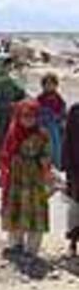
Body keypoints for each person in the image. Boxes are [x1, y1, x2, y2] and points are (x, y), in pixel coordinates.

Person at [0, 100, 53, 259]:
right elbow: (5, 154)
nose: (28, 120)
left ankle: (32, 248)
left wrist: (45, 167)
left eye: (32, 116)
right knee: (17, 207)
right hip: (16, 178)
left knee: (35, 209)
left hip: (35, 178)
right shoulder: (13, 132)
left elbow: (47, 154)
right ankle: (15, 243)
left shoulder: (42, 134)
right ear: (18, 116)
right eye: (24, 116)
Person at [0, 54, 26, 146]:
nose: (9, 67)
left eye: (9, 65)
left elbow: (20, 94)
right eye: (6, 65)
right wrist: (5, 105)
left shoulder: (12, 81)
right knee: (0, 138)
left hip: (12, 114)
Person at [37, 73, 66, 169]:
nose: (49, 86)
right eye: (47, 84)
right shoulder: (40, 99)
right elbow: (36, 112)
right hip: (43, 127)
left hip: (55, 127)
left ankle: (57, 167)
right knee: (45, 149)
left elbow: (62, 112)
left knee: (56, 148)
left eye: (51, 84)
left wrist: (61, 120)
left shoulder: (58, 99)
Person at [63, 103, 79, 257]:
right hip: (76, 169)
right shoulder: (75, 111)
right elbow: (67, 139)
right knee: (75, 207)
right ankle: (73, 243)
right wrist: (68, 169)